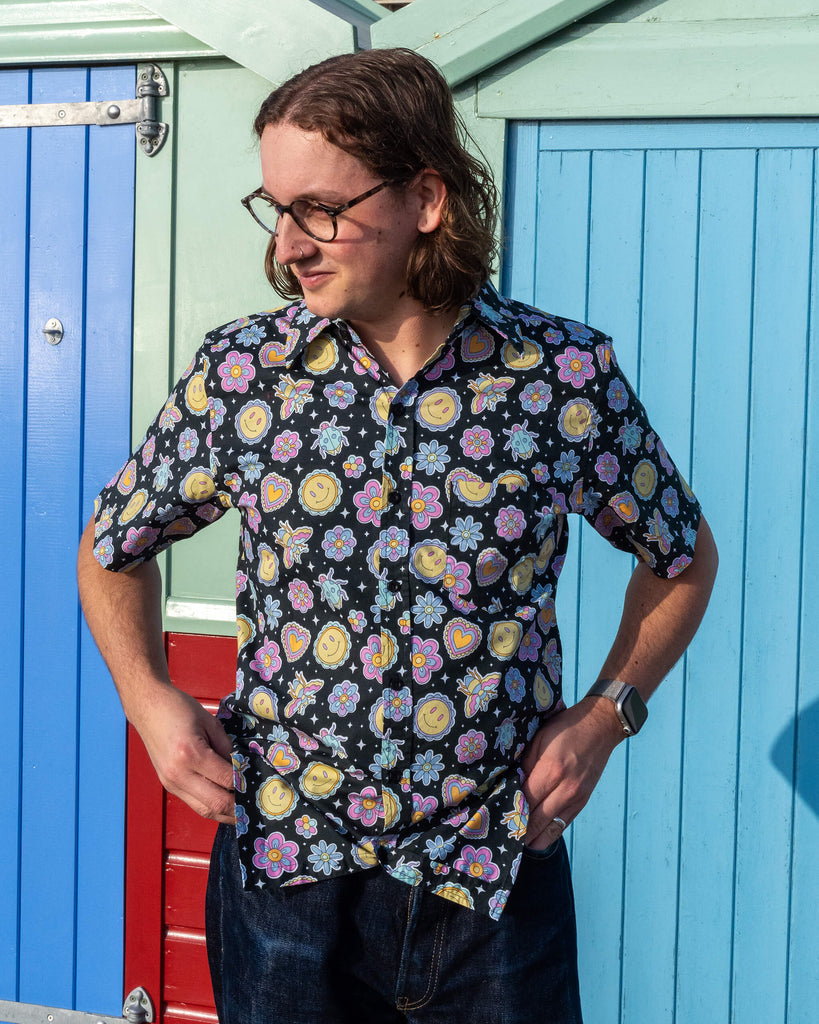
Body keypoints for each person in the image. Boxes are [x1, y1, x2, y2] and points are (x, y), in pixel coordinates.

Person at [78, 47, 717, 1024]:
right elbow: (113, 545)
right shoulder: (247, 376)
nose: (289, 243)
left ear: (426, 197)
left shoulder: (557, 377)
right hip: (286, 883)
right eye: (276, 208)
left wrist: (606, 716)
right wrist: (151, 703)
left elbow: (681, 557)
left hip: (496, 886)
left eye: (320, 208)